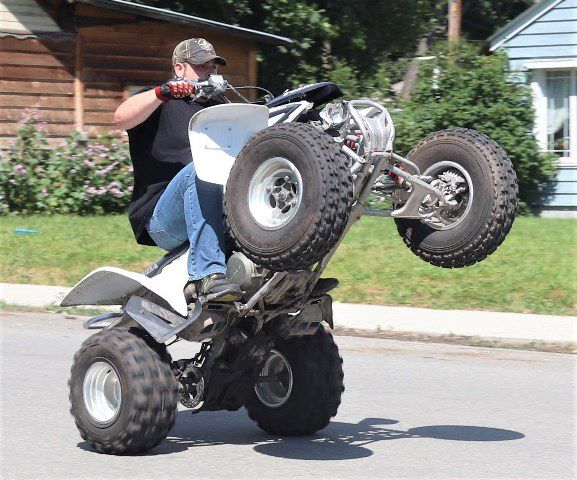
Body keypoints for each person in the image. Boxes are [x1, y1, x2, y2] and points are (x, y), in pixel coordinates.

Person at [114, 38, 242, 302]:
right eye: (201, 66)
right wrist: (164, 92)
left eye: (214, 67)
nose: (210, 72)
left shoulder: (222, 109)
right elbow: (120, 117)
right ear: (179, 69)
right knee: (203, 166)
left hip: (218, 211)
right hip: (163, 219)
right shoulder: (158, 99)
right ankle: (207, 275)